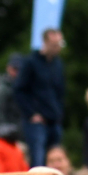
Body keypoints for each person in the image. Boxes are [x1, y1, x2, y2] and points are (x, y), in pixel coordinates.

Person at [14, 28, 66, 167]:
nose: (57, 48)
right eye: (54, 44)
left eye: (59, 44)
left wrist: (59, 113)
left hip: (54, 120)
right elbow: (19, 90)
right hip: (37, 122)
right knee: (38, 159)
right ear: (45, 42)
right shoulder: (30, 62)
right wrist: (31, 113)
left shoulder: (57, 64)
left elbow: (60, 91)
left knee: (56, 159)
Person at [0, 53, 25, 129]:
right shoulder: (2, 87)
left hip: (22, 131)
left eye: (20, 69)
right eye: (15, 69)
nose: (17, 73)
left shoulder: (22, 87)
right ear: (8, 68)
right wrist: (6, 131)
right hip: (9, 132)